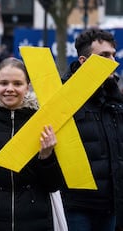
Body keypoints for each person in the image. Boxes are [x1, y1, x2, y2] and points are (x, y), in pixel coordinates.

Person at [0, 57, 64, 231]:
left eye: (17, 83)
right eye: (4, 83)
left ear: (27, 87)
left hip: (35, 220)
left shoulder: (42, 125)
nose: (10, 89)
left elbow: (54, 185)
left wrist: (46, 157)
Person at [60, 28, 123, 231]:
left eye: (114, 55)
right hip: (77, 206)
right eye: (104, 55)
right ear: (83, 61)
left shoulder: (116, 99)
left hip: (111, 204)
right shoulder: (63, 98)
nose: (113, 61)